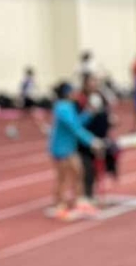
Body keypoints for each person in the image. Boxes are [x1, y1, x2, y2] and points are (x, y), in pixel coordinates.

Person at [49, 82, 103, 221]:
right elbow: (74, 127)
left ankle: (79, 202)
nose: (76, 93)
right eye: (73, 91)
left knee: (79, 173)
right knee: (62, 178)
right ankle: (59, 206)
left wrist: (89, 113)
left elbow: (77, 123)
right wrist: (91, 140)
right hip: (60, 148)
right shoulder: (62, 108)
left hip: (69, 146)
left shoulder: (69, 106)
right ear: (67, 93)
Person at [76, 73, 115, 215]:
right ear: (85, 83)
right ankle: (87, 196)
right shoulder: (80, 99)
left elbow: (106, 111)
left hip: (101, 137)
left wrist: (110, 120)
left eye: (96, 81)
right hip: (86, 140)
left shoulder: (101, 96)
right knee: (87, 169)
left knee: (101, 166)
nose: (95, 83)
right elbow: (77, 122)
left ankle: (92, 195)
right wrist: (89, 112)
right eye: (92, 81)